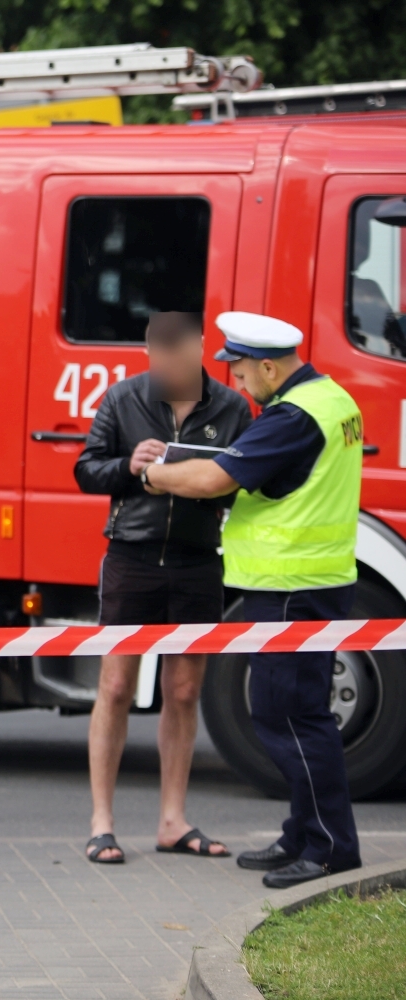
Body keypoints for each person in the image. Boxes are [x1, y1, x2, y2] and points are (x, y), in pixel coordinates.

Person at [143, 311, 364, 888]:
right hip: (314, 582)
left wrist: (153, 475)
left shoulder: (292, 416)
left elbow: (215, 480)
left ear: (269, 366)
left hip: (290, 588)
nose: (238, 384)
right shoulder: (331, 398)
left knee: (288, 718)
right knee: (299, 715)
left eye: (241, 372)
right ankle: (305, 832)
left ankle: (330, 848)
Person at [73, 312, 252, 865]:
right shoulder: (123, 399)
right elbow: (86, 470)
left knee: (183, 692)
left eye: (176, 357)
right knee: (117, 686)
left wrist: (211, 481)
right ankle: (102, 823)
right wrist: (128, 464)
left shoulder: (232, 408)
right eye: (157, 358)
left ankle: (172, 821)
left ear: (200, 349)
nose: (165, 368)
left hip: (198, 563)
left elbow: (244, 482)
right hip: (131, 558)